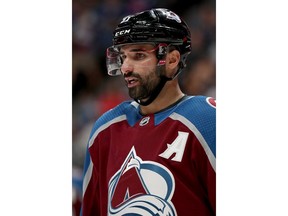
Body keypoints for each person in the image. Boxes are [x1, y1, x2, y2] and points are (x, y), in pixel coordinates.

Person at [80, 8, 216, 216]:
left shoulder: (207, 120)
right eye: (124, 57)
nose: (126, 67)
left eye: (139, 55)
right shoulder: (105, 129)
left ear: (171, 60)